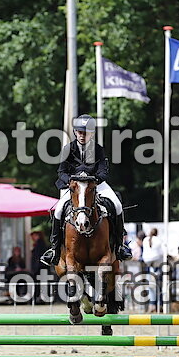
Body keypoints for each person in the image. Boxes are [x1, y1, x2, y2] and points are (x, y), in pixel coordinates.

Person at [41, 114, 132, 266]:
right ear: (75, 132)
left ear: (92, 134)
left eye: (86, 133)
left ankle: (120, 246)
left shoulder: (98, 149)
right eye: (80, 132)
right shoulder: (68, 149)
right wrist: (70, 181)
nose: (82, 136)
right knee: (58, 210)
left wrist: (95, 180)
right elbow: (61, 172)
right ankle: (54, 249)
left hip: (94, 184)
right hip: (74, 187)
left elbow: (103, 171)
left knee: (117, 205)